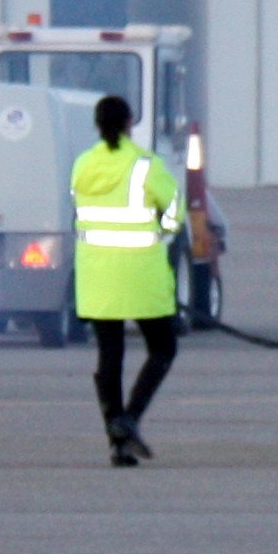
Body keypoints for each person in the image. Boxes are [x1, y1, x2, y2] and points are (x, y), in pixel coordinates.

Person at [70, 91, 185, 465]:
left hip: (97, 273)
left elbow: (79, 206)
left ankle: (116, 443)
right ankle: (130, 418)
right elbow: (174, 211)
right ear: (128, 123)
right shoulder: (145, 165)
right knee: (163, 347)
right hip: (140, 271)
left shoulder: (83, 165)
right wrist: (163, 234)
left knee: (110, 355)